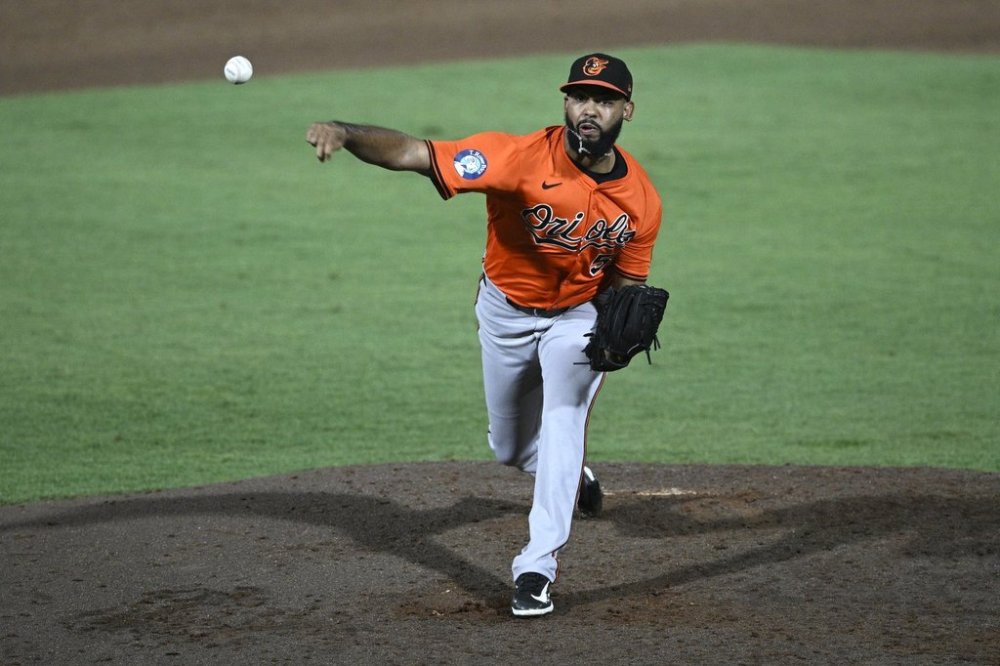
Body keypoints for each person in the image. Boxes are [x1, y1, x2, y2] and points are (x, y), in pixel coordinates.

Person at [306, 53, 663, 617]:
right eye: (579, 96)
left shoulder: (641, 200)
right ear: (565, 103)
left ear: (627, 110)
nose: (589, 108)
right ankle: (572, 479)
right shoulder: (515, 158)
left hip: (575, 317)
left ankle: (536, 570)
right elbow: (415, 154)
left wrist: (617, 330)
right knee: (511, 448)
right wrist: (345, 133)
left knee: (565, 413)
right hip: (506, 312)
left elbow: (628, 285)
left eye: (605, 99)